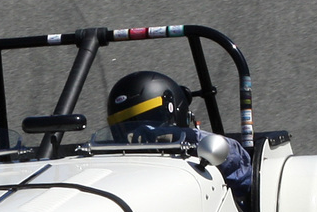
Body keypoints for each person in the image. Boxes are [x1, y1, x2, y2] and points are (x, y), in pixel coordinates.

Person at [104, 70, 253, 193]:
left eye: (149, 118)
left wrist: (184, 137)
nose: (136, 134)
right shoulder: (113, 163)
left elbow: (242, 169)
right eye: (125, 127)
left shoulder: (204, 146)